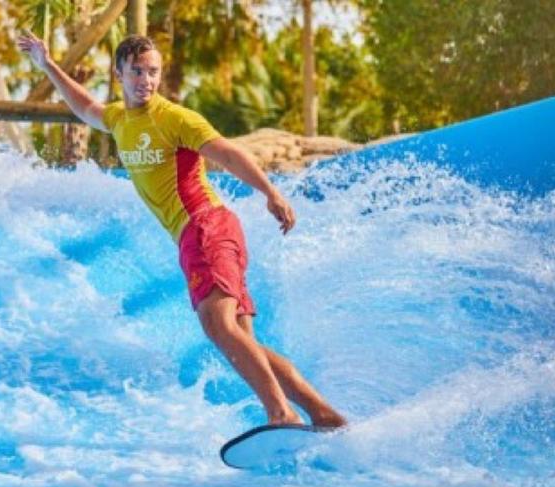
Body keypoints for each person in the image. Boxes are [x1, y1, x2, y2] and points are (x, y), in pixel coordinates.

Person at [18, 32, 346, 428]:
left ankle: (281, 413)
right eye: (137, 71)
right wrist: (47, 64)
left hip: (206, 226)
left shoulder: (173, 117)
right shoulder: (120, 119)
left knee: (217, 324)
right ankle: (323, 414)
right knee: (244, 343)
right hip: (205, 232)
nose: (146, 80)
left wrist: (269, 191)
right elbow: (85, 106)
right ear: (118, 72)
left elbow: (226, 152)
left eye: (153, 72)